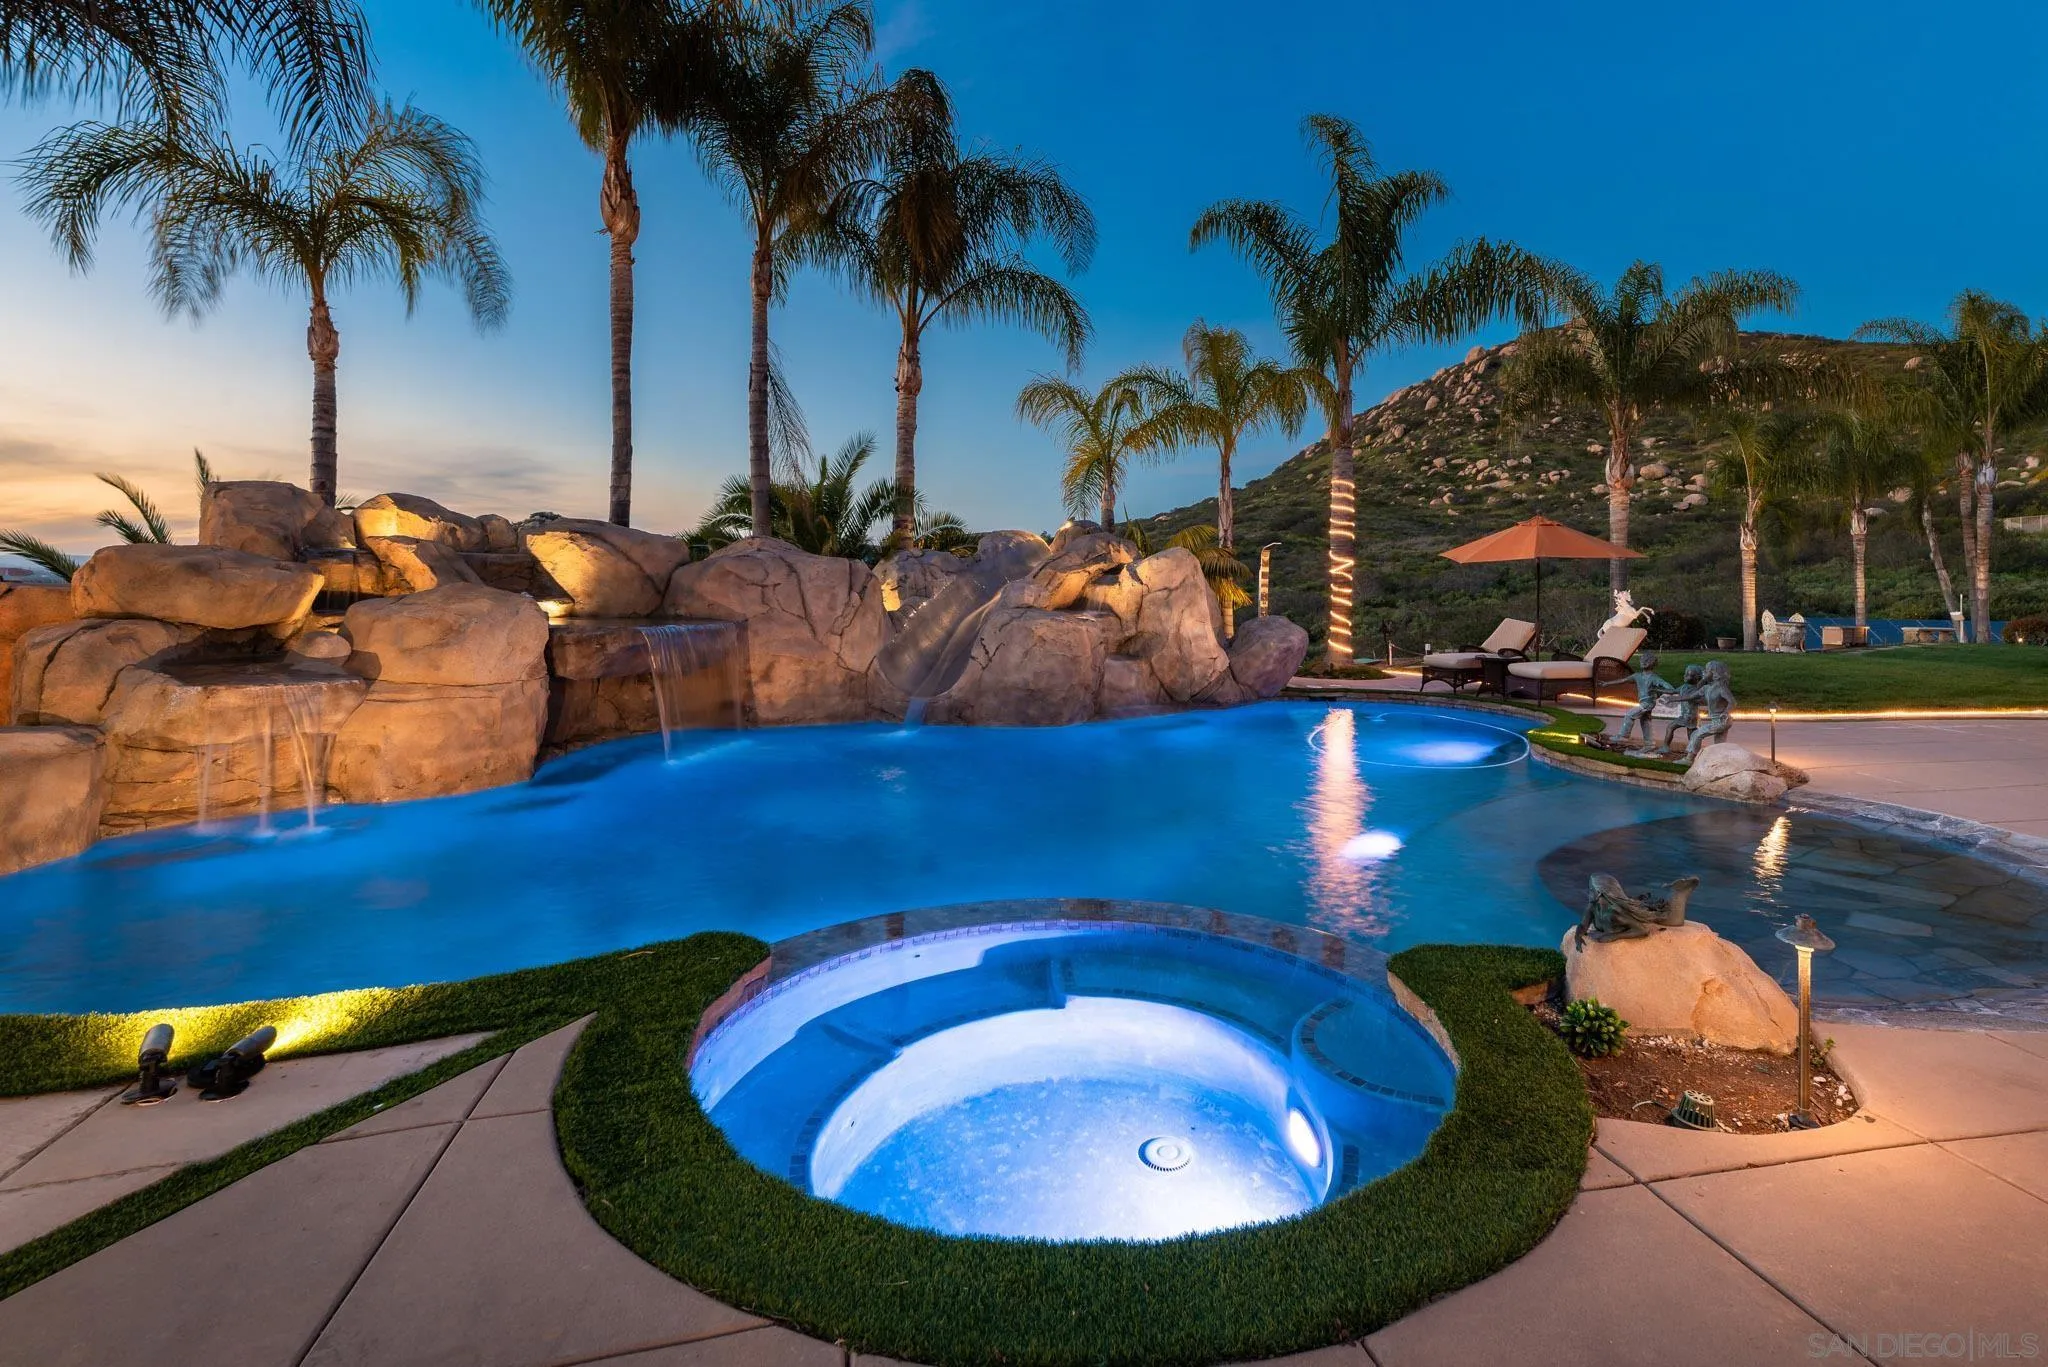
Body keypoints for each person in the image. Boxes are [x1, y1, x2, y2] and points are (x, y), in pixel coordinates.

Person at [1614, 651, 1675, 746]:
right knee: (1645, 721)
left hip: (1648, 703)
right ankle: (1649, 743)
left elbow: (1669, 687)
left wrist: (1658, 690)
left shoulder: (1654, 678)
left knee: (1630, 715)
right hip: (1644, 702)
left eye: (1646, 660)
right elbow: (1623, 680)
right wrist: (1607, 684)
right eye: (1642, 660)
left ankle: (1623, 735)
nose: (1643, 662)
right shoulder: (1637, 676)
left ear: (1652, 663)